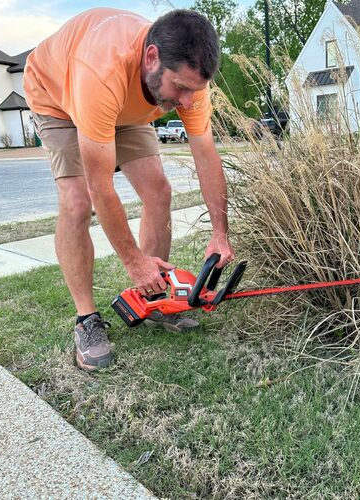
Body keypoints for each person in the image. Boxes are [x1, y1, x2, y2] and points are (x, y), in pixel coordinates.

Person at [23, 7, 235, 372]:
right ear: (152, 57)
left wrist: (220, 233)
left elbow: (206, 154)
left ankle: (152, 301)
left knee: (159, 191)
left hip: (128, 104)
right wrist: (134, 262)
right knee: (77, 202)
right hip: (57, 96)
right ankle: (86, 320)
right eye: (181, 88)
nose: (186, 102)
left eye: (193, 91)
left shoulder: (187, 81)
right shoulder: (101, 70)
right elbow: (100, 184)